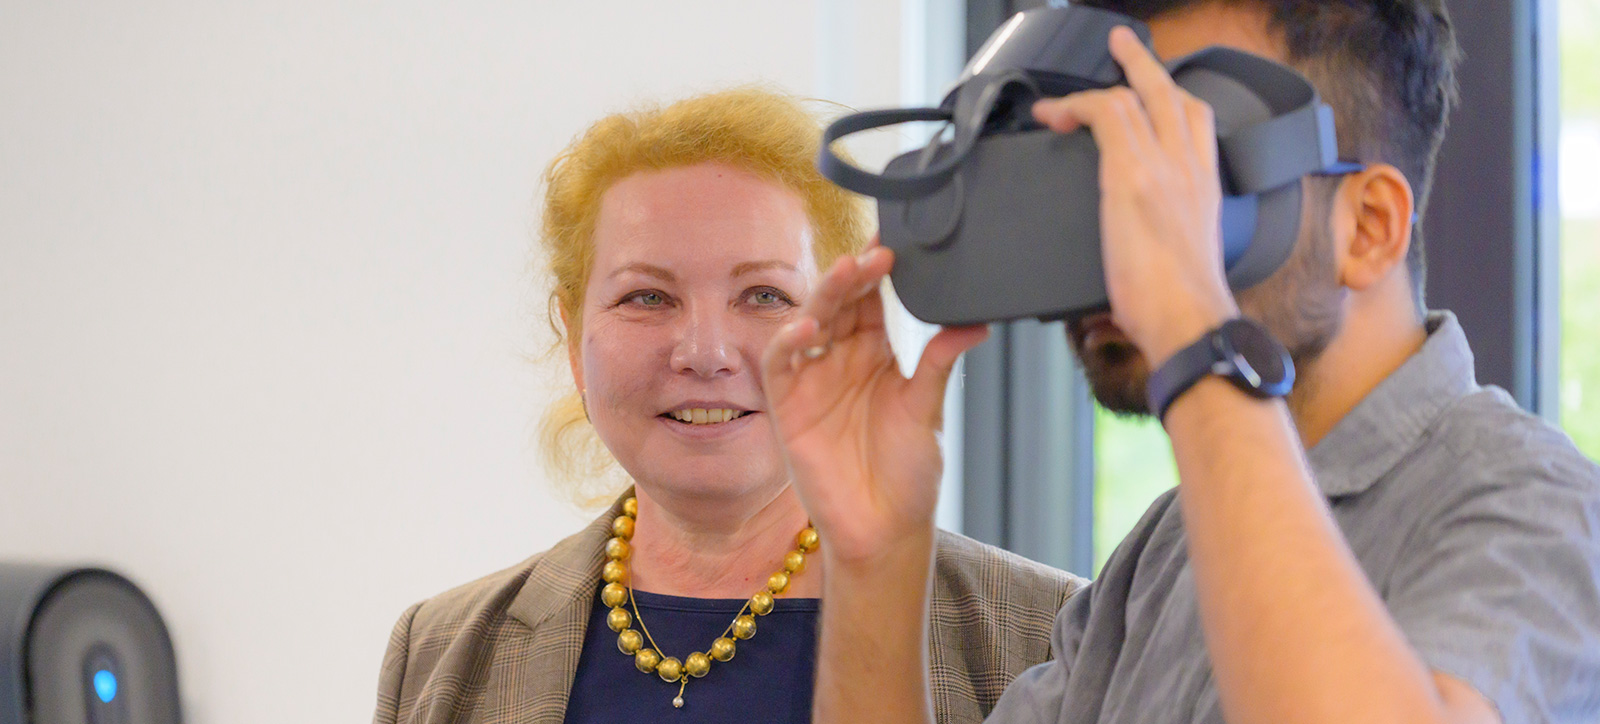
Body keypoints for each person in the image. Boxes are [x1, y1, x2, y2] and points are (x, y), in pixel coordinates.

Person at [761, 2, 1600, 724]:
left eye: (1179, 173)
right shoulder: (1164, 552)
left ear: (1368, 227)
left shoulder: (1533, 505)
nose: (1120, 231)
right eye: (1106, 172)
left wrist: (1193, 334)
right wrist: (876, 554)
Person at [369, 87, 1085, 724]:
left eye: (765, 295)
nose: (705, 352)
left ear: (844, 322)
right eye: (646, 297)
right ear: (571, 338)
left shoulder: (1056, 636)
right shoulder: (439, 654)